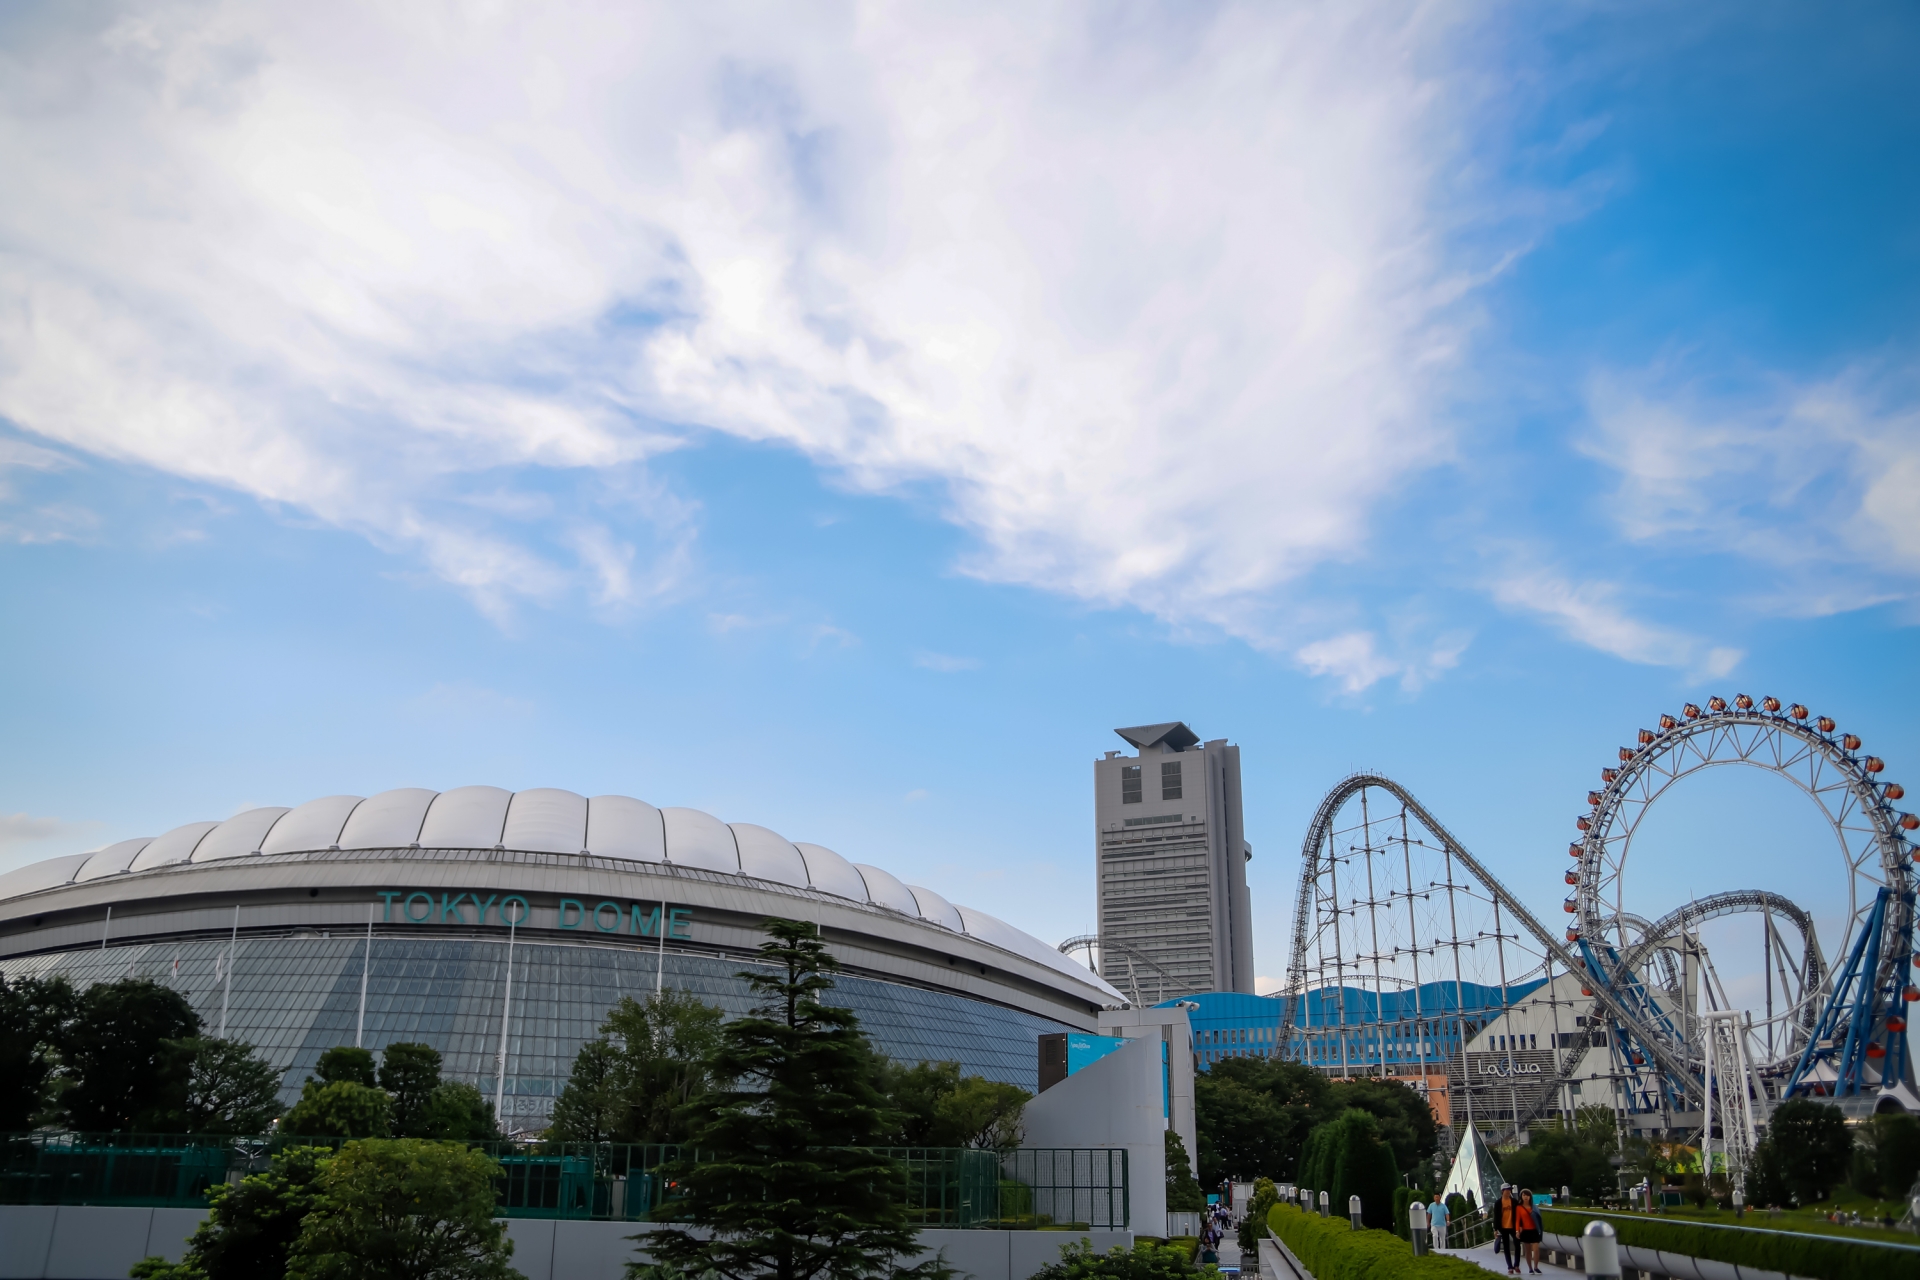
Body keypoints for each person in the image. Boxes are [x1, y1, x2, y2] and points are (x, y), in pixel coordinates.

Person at [1516, 1188, 1543, 1274]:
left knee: (1536, 1249)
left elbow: (1539, 1218)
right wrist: (1517, 1231)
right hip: (1525, 1231)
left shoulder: (1534, 1207)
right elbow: (1517, 1220)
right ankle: (1530, 1268)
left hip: (1534, 1230)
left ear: (1530, 1197)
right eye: (1524, 1195)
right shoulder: (1519, 1207)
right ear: (1521, 1196)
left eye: (1527, 1195)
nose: (1526, 1197)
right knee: (1527, 1250)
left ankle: (1536, 1266)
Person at [1495, 1184, 1519, 1275]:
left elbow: (1518, 1214)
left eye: (1509, 1190)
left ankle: (1516, 1265)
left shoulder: (1514, 1201)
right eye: (1506, 1190)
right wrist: (1495, 1229)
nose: (1508, 1191)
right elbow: (1496, 1216)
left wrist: (1519, 1226)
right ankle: (1510, 1267)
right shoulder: (1498, 1203)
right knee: (1506, 1247)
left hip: (1513, 1227)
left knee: (1517, 1245)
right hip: (1503, 1227)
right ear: (1502, 1191)